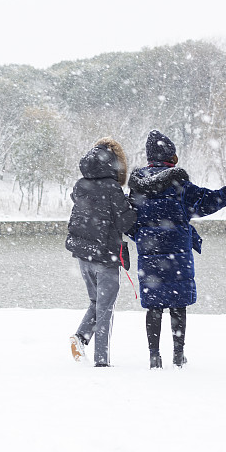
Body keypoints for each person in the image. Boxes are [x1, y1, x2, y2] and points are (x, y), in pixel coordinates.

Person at [127, 130, 226, 369]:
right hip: (177, 253)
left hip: (149, 253)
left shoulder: (137, 186)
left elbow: (130, 219)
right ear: (171, 156)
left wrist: (142, 237)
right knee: (177, 303)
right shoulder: (179, 183)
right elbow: (209, 201)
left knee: (154, 306)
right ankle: (178, 355)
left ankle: (154, 357)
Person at [66, 137, 137, 367]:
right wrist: (133, 205)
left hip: (83, 253)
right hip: (105, 255)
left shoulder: (80, 184)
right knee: (105, 308)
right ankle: (102, 361)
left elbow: (83, 206)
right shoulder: (111, 188)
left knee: (96, 302)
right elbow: (126, 222)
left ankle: (81, 338)